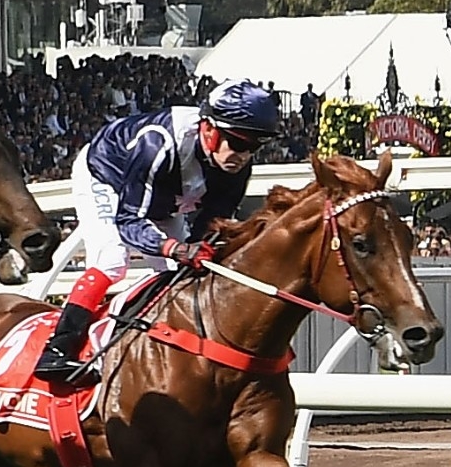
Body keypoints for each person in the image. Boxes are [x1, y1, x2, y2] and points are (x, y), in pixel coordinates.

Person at [33, 79, 282, 387]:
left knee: (182, 274)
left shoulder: (236, 166)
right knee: (112, 261)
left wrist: (194, 250)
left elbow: (212, 225)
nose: (244, 155)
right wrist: (174, 248)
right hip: (108, 175)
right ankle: (58, 349)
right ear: (209, 129)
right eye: (239, 143)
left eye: (255, 147)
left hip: (166, 191)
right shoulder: (158, 143)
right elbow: (128, 221)